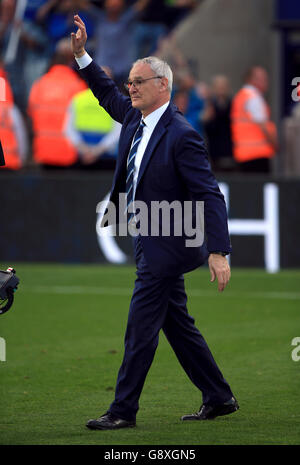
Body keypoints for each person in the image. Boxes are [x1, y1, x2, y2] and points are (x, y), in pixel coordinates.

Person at [71, 15, 239, 430]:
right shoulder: (133, 118)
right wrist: (82, 56)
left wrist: (218, 250)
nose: (131, 87)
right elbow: (106, 91)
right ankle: (219, 396)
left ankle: (122, 410)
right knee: (176, 324)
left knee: (140, 326)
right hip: (145, 237)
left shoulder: (182, 134)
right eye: (131, 81)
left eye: (139, 81)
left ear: (163, 85)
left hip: (170, 243)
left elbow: (209, 194)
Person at [28, 38, 87, 168]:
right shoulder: (78, 86)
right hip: (70, 153)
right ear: (70, 63)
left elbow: (31, 114)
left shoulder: (39, 85)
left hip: (43, 151)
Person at [231, 66, 277, 173]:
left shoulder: (242, 95)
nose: (266, 82)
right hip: (257, 155)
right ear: (251, 79)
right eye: (262, 78)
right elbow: (264, 126)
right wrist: (275, 144)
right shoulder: (253, 97)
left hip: (244, 154)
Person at [202, 75, 234, 172]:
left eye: (223, 87)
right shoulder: (209, 106)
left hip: (231, 152)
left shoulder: (234, 105)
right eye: (218, 87)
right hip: (214, 153)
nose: (221, 90)